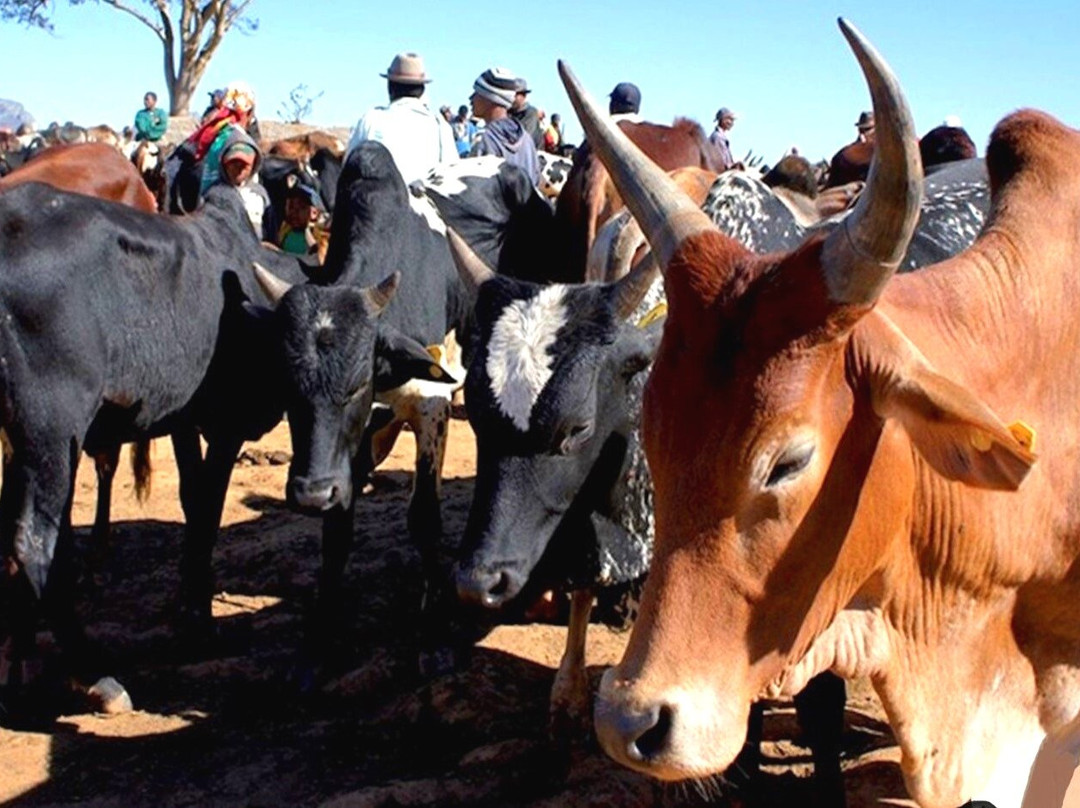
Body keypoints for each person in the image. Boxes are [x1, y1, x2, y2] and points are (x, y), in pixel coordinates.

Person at [345, 52, 457, 184]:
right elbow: (453, 176)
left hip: (380, 202)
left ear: (390, 87)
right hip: (427, 202)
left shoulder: (370, 120)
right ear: (422, 89)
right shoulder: (440, 126)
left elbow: (347, 170)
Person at [469, 67, 539, 186]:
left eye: (476, 93)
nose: (471, 99)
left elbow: (473, 190)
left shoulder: (484, 140)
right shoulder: (526, 140)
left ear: (490, 98)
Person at [214, 132, 272, 240]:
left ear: (253, 165)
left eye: (244, 165)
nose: (238, 169)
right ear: (224, 164)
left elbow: (270, 229)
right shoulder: (213, 195)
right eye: (234, 163)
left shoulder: (260, 194)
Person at [825, 110, 875, 187]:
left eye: (868, 129)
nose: (863, 135)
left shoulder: (887, 158)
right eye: (861, 130)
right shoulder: (841, 158)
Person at [277, 182, 322, 256]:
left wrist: (307, 231)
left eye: (302, 207)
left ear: (314, 213)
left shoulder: (320, 237)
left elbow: (318, 257)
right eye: (291, 206)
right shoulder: (285, 230)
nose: (294, 211)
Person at [509, 77, 543, 148]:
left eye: (515, 95)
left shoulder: (531, 113)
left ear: (524, 96)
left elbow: (522, 137)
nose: (511, 98)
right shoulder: (508, 112)